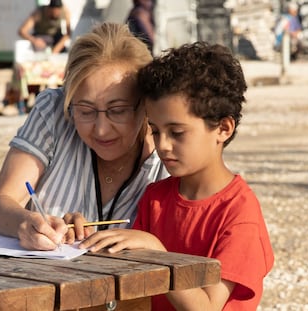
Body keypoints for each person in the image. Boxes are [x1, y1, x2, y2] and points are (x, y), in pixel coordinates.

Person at [79, 42, 274, 310]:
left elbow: (205, 307)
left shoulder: (239, 215)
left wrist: (159, 254)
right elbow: (131, 283)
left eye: (177, 133)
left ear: (223, 128)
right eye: (156, 131)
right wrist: (81, 239)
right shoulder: (155, 197)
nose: (163, 145)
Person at [0, 22, 168, 251]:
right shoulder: (54, 111)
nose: (101, 130)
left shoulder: (168, 148)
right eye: (85, 111)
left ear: (145, 105)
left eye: (118, 110)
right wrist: (26, 223)